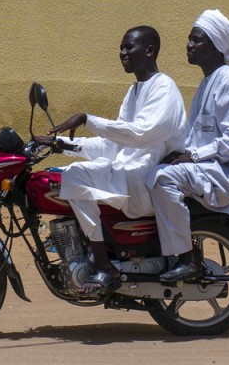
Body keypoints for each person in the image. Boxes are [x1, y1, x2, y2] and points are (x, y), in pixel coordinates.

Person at [40, 26, 187, 293]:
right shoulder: (134, 92)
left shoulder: (164, 88)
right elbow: (113, 144)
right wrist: (62, 145)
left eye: (128, 47)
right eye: (121, 48)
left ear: (149, 50)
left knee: (74, 175)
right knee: (66, 174)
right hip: (127, 172)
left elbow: (140, 135)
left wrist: (88, 119)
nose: (122, 53)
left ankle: (102, 264)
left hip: (147, 179)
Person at [148, 9, 229, 283]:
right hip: (206, 167)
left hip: (224, 172)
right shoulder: (209, 82)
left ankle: (187, 258)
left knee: (162, 178)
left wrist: (192, 154)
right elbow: (197, 138)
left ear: (215, 46)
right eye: (190, 39)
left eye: (196, 40)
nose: (189, 45)